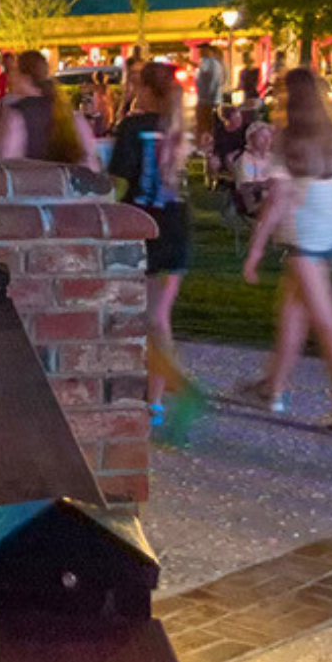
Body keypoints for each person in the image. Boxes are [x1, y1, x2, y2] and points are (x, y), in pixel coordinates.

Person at [238, 68, 332, 435]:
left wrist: (255, 250)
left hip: (305, 241)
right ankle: (272, 387)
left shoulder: (288, 142)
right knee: (292, 312)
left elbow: (277, 202)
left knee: (327, 326)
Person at [109, 61, 199, 427]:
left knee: (147, 318)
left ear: (145, 89)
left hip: (143, 225)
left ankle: (177, 385)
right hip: (176, 225)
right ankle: (156, 401)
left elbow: (121, 180)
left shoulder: (134, 127)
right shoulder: (178, 128)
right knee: (160, 317)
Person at [0, 49, 98, 167]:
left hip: (34, 183)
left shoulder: (16, 115)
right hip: (65, 182)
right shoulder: (67, 112)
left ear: (25, 77)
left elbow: (7, 162)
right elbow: (90, 161)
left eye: (14, 72)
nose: (10, 78)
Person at [195, 44, 225, 141]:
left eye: (202, 50)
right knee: (210, 125)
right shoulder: (214, 62)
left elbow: (210, 78)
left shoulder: (209, 62)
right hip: (210, 99)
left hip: (207, 100)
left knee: (205, 125)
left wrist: (208, 98)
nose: (200, 53)